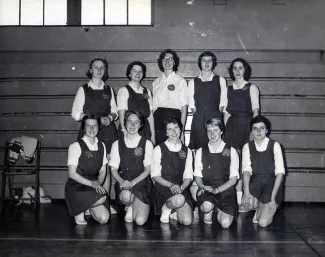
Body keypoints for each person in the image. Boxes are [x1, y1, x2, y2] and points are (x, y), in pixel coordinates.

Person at [71, 57, 118, 213]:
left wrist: (110, 118)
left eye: (102, 67)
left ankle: (104, 202)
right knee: (86, 167)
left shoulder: (109, 90)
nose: (99, 70)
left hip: (107, 131)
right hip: (90, 129)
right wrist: (93, 119)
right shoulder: (83, 89)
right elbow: (75, 113)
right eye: (96, 67)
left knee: (106, 167)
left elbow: (115, 112)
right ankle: (86, 202)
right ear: (90, 70)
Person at [222, 58, 260, 210]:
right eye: (235, 68)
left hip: (247, 126)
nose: (237, 71)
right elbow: (225, 113)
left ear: (245, 70)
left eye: (240, 68)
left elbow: (256, 111)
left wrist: (253, 132)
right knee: (234, 164)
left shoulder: (252, 88)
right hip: (231, 128)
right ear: (232, 71)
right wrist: (225, 132)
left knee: (247, 163)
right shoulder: (228, 89)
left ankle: (248, 197)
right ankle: (238, 200)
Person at [109, 110, 153, 225]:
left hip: (141, 183)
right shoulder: (116, 144)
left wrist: (132, 183)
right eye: (129, 121)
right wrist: (122, 182)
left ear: (141, 124)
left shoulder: (147, 143)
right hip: (124, 182)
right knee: (126, 195)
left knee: (140, 221)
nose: (132, 125)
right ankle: (129, 205)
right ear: (125, 123)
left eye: (136, 122)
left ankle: (135, 205)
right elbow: (113, 170)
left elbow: (148, 170)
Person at [65, 114, 110, 225]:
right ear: (83, 128)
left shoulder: (102, 146)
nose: (91, 128)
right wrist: (93, 184)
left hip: (93, 184)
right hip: (76, 186)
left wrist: (98, 183)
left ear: (99, 127)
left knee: (104, 218)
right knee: (101, 199)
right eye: (88, 125)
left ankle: (87, 207)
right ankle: (78, 208)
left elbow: (103, 170)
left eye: (94, 125)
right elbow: (72, 174)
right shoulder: (75, 146)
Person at [194, 118, 239, 227]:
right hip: (208, 189)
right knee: (206, 206)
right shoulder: (200, 151)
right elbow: (197, 176)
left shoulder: (231, 151)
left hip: (225, 190)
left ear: (221, 131)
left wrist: (217, 190)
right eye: (209, 131)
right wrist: (203, 187)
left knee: (225, 224)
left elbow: (233, 179)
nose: (212, 134)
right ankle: (208, 210)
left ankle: (217, 208)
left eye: (215, 130)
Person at [242, 115, 285, 227]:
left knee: (262, 223)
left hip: (272, 184)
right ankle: (259, 206)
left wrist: (272, 198)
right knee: (247, 204)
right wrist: (246, 192)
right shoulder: (247, 147)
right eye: (255, 129)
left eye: (262, 128)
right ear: (251, 131)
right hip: (256, 182)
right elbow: (246, 171)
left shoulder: (275, 146)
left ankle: (262, 208)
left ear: (267, 130)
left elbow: (280, 174)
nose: (258, 131)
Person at [151, 117, 193, 225]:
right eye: (169, 129)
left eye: (176, 128)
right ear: (165, 133)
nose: (173, 132)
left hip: (179, 186)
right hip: (163, 186)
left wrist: (182, 187)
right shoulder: (158, 149)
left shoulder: (187, 150)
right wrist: (170, 185)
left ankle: (173, 209)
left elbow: (188, 175)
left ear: (180, 129)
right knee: (179, 199)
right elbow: (155, 175)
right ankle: (166, 207)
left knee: (187, 221)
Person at [188, 51, 227, 150]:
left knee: (216, 147)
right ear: (200, 63)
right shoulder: (193, 82)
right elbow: (191, 104)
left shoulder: (221, 80)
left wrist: (215, 117)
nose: (206, 63)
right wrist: (200, 117)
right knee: (199, 149)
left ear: (213, 63)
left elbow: (223, 102)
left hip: (215, 118)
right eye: (204, 60)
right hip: (199, 119)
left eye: (209, 61)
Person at [152, 49, 188, 145]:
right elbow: (153, 107)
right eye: (164, 59)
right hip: (158, 118)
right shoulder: (156, 82)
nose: (167, 61)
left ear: (174, 62)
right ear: (161, 62)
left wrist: (182, 131)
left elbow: (184, 109)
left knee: (174, 148)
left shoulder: (181, 81)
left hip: (174, 116)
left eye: (170, 59)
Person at [117, 61, 155, 144]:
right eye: (134, 71)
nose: (138, 73)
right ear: (129, 74)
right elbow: (121, 116)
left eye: (140, 71)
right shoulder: (124, 91)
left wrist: (153, 135)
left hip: (144, 130)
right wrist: (125, 133)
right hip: (130, 130)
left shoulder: (147, 91)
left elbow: (150, 116)